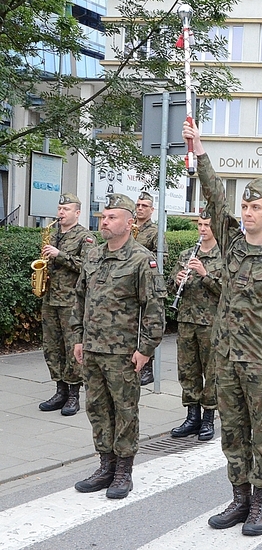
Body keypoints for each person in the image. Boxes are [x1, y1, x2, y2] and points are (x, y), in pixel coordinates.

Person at [184, 121, 262, 536]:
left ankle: (260, 505)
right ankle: (238, 499)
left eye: (256, 208)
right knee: (232, 431)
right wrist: (199, 150)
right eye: (245, 207)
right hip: (226, 358)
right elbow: (215, 195)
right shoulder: (231, 243)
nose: (247, 212)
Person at [70, 193, 166, 499]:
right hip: (93, 350)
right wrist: (77, 337)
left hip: (124, 353)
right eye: (103, 217)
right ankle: (105, 466)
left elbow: (154, 309)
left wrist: (146, 349)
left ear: (128, 222)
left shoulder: (141, 260)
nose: (105, 222)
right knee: (97, 408)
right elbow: (79, 298)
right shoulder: (93, 256)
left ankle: (124, 471)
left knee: (125, 411)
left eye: (112, 217)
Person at [38, 193, 97, 416]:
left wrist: (60, 255)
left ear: (77, 213)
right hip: (50, 298)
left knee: (73, 347)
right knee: (52, 346)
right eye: (60, 208)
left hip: (72, 301)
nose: (61, 213)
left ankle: (73, 393)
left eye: (66, 209)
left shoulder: (86, 237)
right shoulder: (53, 235)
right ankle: (59, 390)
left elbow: (89, 267)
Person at [168, 210, 223, 441]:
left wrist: (204, 273)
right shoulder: (186, 254)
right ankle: (192, 416)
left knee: (211, 371)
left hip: (211, 323)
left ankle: (208, 417)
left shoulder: (225, 257)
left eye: (207, 225)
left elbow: (227, 292)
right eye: (200, 224)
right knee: (188, 370)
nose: (202, 229)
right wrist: (177, 280)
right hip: (187, 321)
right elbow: (170, 287)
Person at [133, 191, 168, 386]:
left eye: (144, 206)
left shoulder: (155, 231)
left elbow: (163, 257)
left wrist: (140, 255)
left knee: (147, 324)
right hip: (128, 282)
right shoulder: (128, 228)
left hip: (147, 282)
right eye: (138, 205)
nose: (140, 208)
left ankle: (148, 366)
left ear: (151, 210)